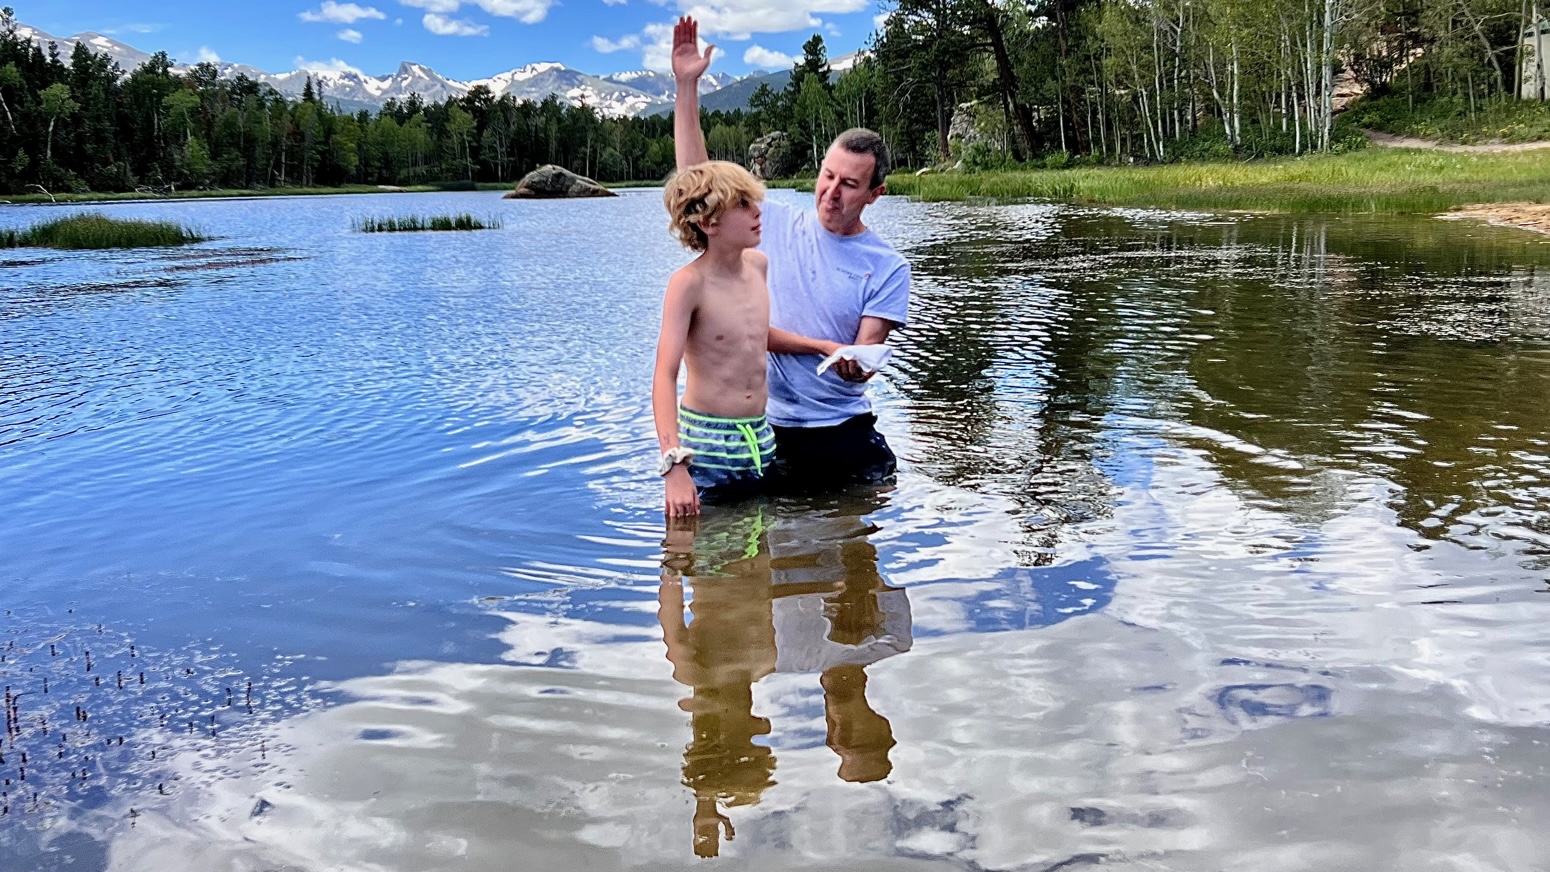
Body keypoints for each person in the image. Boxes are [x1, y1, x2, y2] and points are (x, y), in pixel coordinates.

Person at [672, 16, 912, 493]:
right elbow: (699, 180)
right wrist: (686, 87)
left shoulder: (887, 266)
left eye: (849, 184)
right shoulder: (770, 224)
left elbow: (865, 355)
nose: (830, 192)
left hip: (842, 430)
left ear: (875, 193)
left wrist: (855, 363)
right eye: (827, 175)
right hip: (768, 430)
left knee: (865, 536)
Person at [653, 161, 821, 516]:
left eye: (754, 201)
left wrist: (821, 347)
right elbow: (664, 375)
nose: (757, 212)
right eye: (743, 204)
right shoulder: (688, 284)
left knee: (760, 556)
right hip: (707, 443)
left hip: (760, 438)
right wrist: (674, 466)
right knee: (703, 555)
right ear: (709, 222)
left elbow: (752, 336)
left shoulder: (758, 265)